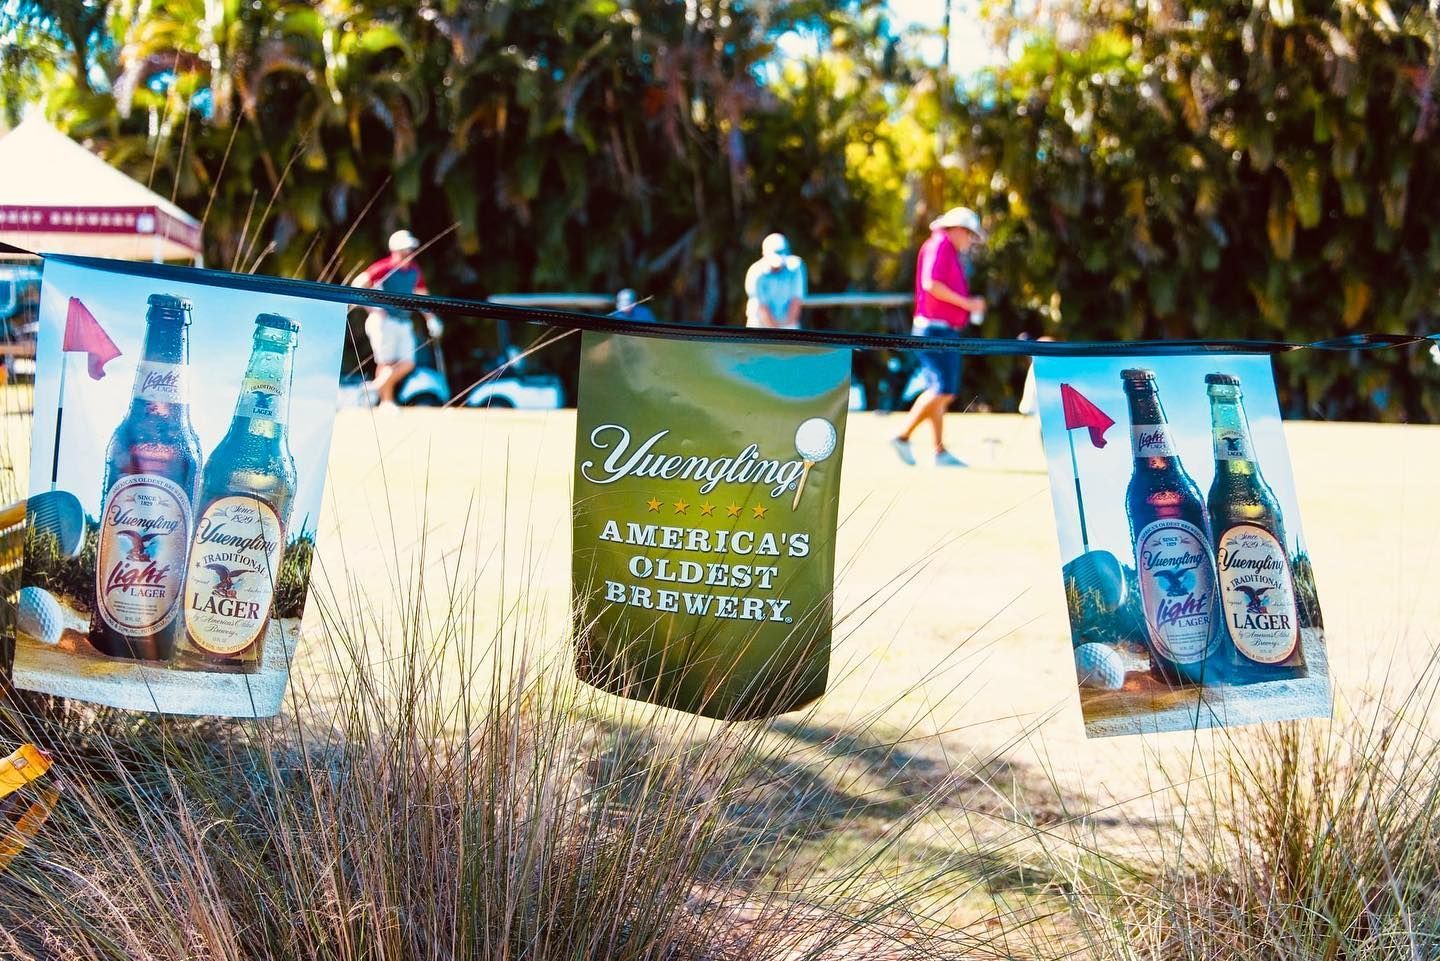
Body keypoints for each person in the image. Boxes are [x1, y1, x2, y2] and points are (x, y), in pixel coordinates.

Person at [890, 207, 987, 467]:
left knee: (942, 390)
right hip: (933, 329)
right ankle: (902, 436)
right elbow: (930, 285)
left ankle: (939, 451)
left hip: (944, 330)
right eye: (969, 234)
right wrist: (968, 304)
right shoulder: (939, 245)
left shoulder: (949, 250)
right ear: (956, 229)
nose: (970, 240)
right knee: (942, 389)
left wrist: (966, 306)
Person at [353, 229, 438, 407]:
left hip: (403, 322)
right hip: (384, 322)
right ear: (396, 250)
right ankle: (386, 401)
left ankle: (371, 390)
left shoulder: (415, 271)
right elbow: (357, 285)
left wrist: (431, 319)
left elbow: (423, 296)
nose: (410, 253)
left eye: (411, 249)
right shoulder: (384, 268)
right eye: (406, 249)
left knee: (407, 363)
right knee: (386, 362)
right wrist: (373, 308)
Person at [744, 233, 807, 329]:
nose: (777, 267)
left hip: (787, 324)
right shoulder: (755, 272)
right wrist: (777, 334)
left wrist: (788, 330)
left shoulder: (796, 267)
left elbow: (796, 301)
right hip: (759, 325)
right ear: (763, 254)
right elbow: (763, 308)